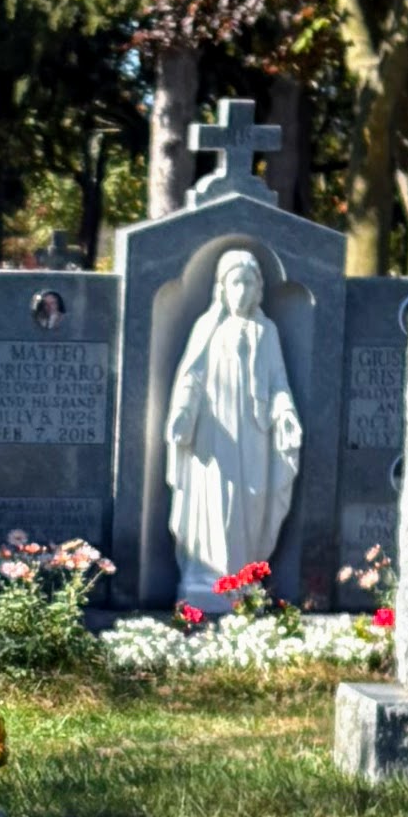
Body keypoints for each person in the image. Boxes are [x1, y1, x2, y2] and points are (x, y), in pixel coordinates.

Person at [167, 248, 303, 597]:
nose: (241, 291)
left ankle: (242, 578)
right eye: (235, 283)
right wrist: (182, 413)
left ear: (258, 289)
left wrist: (285, 413)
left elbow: (277, 382)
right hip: (215, 436)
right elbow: (191, 377)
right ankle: (208, 577)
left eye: (248, 283)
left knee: (253, 501)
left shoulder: (266, 331)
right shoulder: (208, 327)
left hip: (255, 435)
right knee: (217, 504)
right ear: (222, 289)